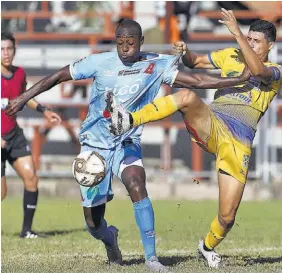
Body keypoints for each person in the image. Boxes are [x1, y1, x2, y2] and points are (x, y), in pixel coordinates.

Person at [5, 19, 250, 271]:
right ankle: (110, 238)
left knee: (136, 182)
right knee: (93, 221)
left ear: (140, 42)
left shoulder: (155, 64)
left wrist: (233, 81)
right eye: (120, 43)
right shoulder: (99, 62)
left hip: (127, 140)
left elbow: (195, 81)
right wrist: (23, 98)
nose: (124, 48)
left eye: (130, 43)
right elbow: (58, 76)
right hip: (94, 147)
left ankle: (152, 258)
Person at [106, 13, 282, 268]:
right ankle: (129, 120)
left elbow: (257, 69)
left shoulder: (275, 72)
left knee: (227, 216)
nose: (251, 43)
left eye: (256, 41)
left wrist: (236, 33)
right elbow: (196, 62)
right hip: (213, 123)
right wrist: (185, 51)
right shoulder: (231, 54)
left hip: (238, 144)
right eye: (249, 38)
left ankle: (207, 246)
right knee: (187, 96)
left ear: (270, 46)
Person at [1, 32, 62, 238]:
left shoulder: (19, 74)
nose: (6, 53)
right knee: (1, 193)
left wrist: (44, 110)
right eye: (1, 49)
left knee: (31, 177)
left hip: (13, 135)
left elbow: (24, 98)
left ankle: (26, 231)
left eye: (9, 48)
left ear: (15, 50)